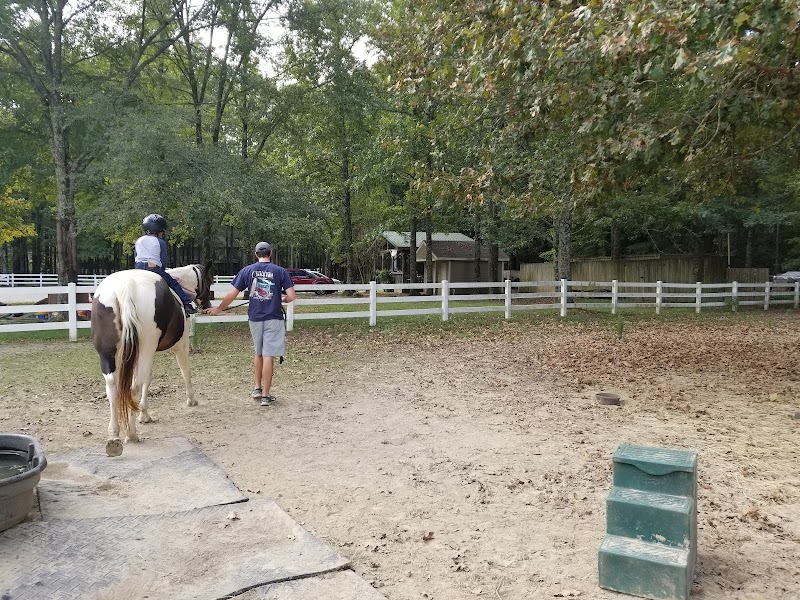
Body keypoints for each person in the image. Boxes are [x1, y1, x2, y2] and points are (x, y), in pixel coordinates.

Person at [207, 242, 296, 406]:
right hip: (274, 317)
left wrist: (218, 309)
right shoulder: (280, 271)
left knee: (258, 353)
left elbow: (232, 294)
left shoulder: (247, 271)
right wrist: (281, 298)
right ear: (270, 253)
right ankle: (266, 396)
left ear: (256, 254)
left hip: (255, 317)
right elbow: (291, 296)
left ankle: (257, 388)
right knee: (268, 355)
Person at [134, 214, 197, 315]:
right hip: (153, 268)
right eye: (162, 232)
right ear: (159, 231)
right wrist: (162, 269)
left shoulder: (139, 240)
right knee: (173, 283)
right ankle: (187, 304)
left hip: (139, 267)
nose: (163, 234)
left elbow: (136, 256)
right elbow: (163, 260)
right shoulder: (160, 242)